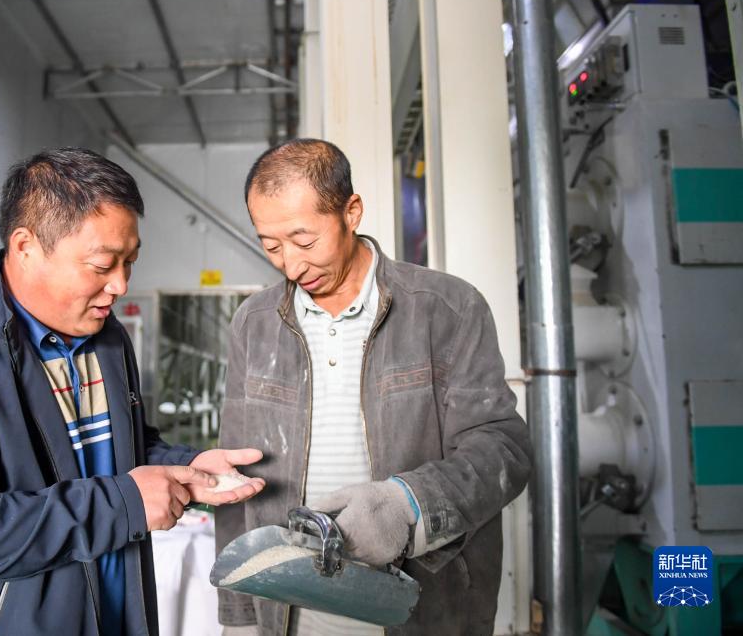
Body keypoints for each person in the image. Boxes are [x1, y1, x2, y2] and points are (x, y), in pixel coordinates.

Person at [0, 148, 264, 636]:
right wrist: (121, 505)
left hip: (117, 614)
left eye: (130, 262)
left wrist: (189, 465)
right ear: (26, 247)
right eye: (102, 265)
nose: (120, 285)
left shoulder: (107, 338)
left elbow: (114, 451)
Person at [215, 139, 532, 636]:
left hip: (423, 612)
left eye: (304, 241)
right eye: (271, 246)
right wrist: (238, 616)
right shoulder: (253, 323)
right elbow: (234, 474)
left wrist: (407, 503)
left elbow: (503, 450)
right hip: (292, 615)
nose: (291, 266)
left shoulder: (446, 308)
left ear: (352, 212)